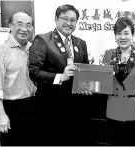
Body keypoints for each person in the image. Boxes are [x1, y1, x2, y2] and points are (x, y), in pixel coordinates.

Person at [28, 4, 91, 146]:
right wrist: (60, 77)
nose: (69, 23)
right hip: (51, 109)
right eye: (65, 18)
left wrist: (86, 85)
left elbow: (85, 71)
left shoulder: (81, 44)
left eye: (73, 20)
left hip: (77, 109)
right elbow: (34, 72)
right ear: (56, 19)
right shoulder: (43, 40)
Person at [101, 17, 135, 145]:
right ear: (115, 36)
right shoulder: (108, 54)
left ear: (132, 35)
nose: (122, 37)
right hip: (112, 107)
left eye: (126, 33)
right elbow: (104, 83)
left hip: (133, 109)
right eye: (119, 33)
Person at [0, 11, 36, 146]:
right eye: (19, 24)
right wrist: (1, 114)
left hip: (33, 106)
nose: (24, 29)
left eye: (28, 25)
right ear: (10, 26)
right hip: (11, 108)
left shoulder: (33, 49)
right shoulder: (0, 51)